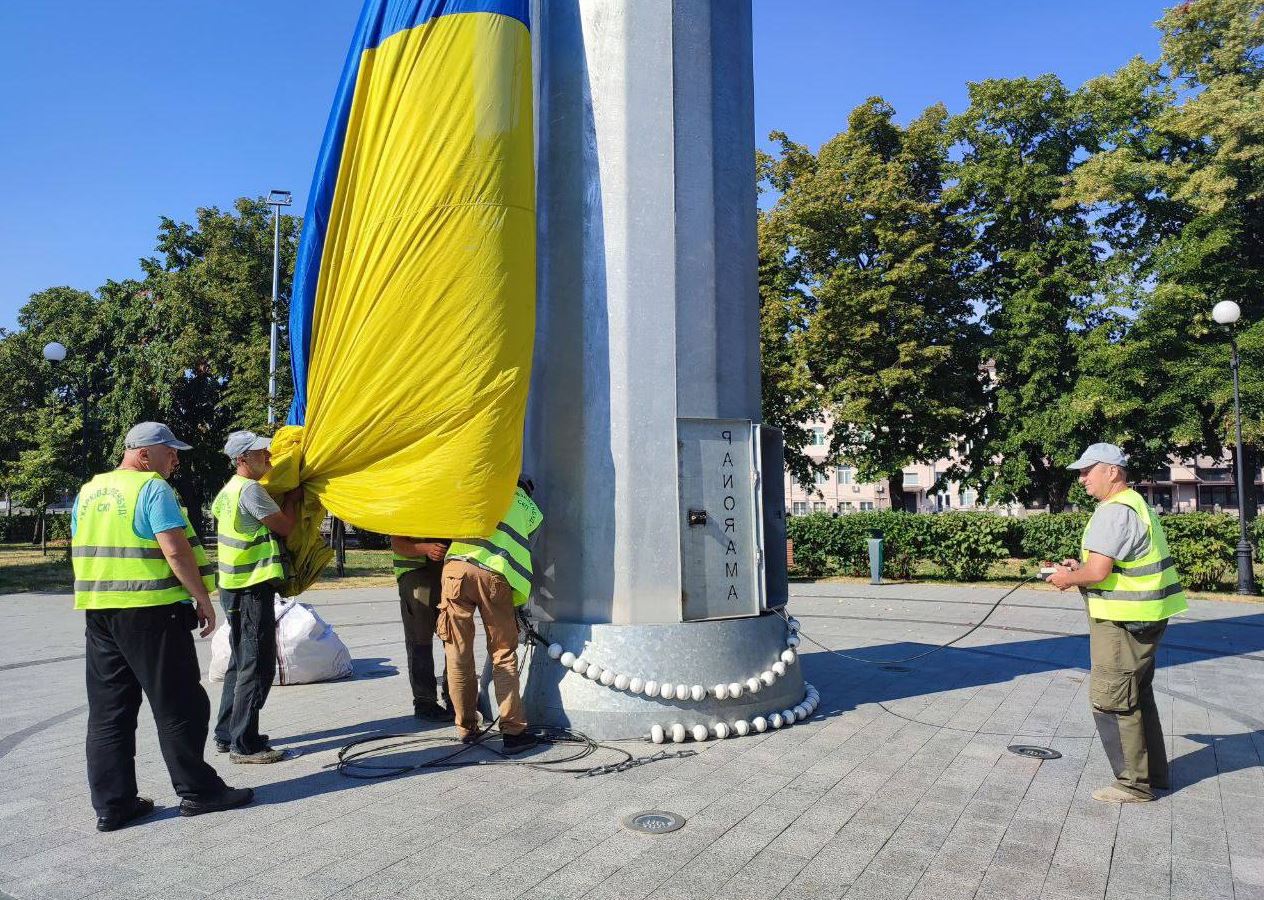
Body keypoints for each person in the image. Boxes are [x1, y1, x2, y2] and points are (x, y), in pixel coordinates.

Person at [72, 422, 254, 831]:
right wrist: (203, 599)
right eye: (169, 452)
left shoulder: (87, 493)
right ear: (143, 454)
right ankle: (199, 792)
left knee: (109, 713)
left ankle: (114, 805)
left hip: (100, 613)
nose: (175, 459)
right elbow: (173, 548)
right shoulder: (151, 488)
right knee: (180, 705)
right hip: (152, 611)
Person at [1048, 443, 1188, 803]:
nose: (1081, 479)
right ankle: (1153, 775)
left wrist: (1067, 578)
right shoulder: (1136, 505)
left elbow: (1098, 571)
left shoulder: (1113, 511)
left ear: (1112, 471)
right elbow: (1113, 567)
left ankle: (1132, 784)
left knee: (1112, 700)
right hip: (1144, 616)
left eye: (1087, 470)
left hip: (1122, 621)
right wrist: (1077, 569)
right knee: (1137, 694)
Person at [210, 431, 300, 764]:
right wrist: (293, 497)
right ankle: (244, 744)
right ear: (242, 459)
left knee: (239, 661)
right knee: (257, 664)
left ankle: (226, 732)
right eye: (263, 455)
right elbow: (286, 527)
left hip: (233, 586)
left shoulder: (227, 491)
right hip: (251, 587)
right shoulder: (251, 490)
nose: (270, 460)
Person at [439, 478, 542, 752]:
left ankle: (466, 728)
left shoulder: (473, 486)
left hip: (455, 570)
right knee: (503, 653)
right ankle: (513, 732)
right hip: (494, 574)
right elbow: (533, 536)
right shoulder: (528, 506)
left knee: (457, 654)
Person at [389, 534, 454, 721]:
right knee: (420, 639)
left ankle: (456, 695)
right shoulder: (408, 505)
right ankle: (425, 702)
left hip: (447, 574)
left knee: (455, 637)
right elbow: (397, 543)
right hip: (417, 577)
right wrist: (426, 549)